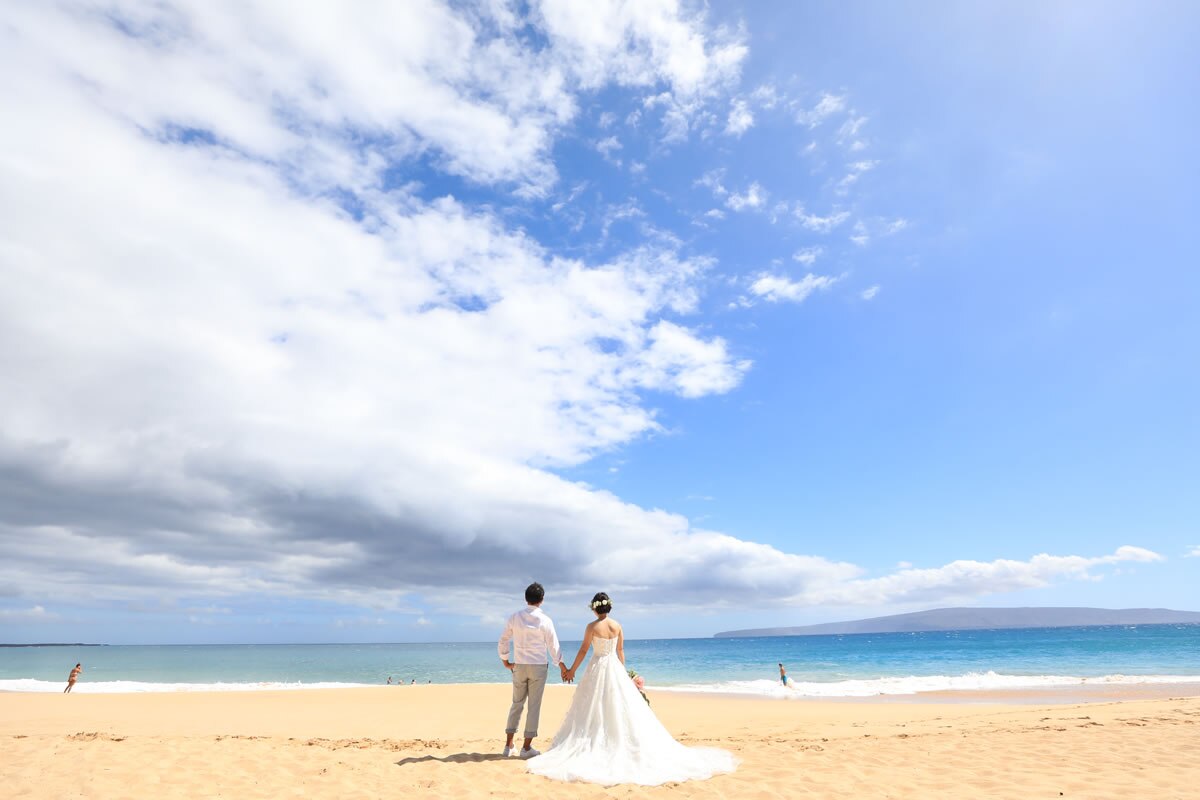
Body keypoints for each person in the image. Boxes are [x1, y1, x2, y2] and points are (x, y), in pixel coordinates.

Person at [525, 592, 738, 785]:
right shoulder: (617, 625)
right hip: (614, 667)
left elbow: (583, 650)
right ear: (608, 607)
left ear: (594, 608)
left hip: (598, 666)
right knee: (617, 705)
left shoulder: (591, 627)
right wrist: (622, 672)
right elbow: (620, 651)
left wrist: (571, 670)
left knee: (595, 706)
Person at [498, 582, 569, 759]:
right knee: (533, 706)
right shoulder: (545, 620)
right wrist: (562, 666)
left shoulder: (515, 617)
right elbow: (553, 646)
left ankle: (508, 745)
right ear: (542, 600)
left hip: (520, 665)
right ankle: (526, 747)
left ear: (526, 598)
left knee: (516, 703)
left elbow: (504, 639)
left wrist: (505, 660)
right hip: (538, 667)